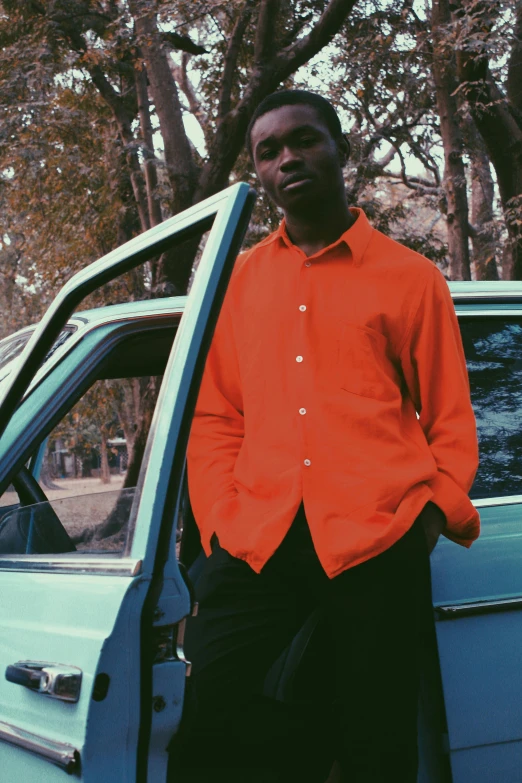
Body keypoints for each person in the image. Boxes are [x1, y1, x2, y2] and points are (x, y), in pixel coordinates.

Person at [172, 90, 480, 783]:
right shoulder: (240, 283)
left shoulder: (411, 279)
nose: (288, 159)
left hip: (377, 544)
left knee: (378, 748)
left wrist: (422, 524)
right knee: (204, 741)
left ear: (341, 147)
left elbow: (451, 424)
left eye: (304, 140)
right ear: (258, 173)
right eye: (269, 151)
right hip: (258, 544)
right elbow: (218, 416)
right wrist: (222, 523)